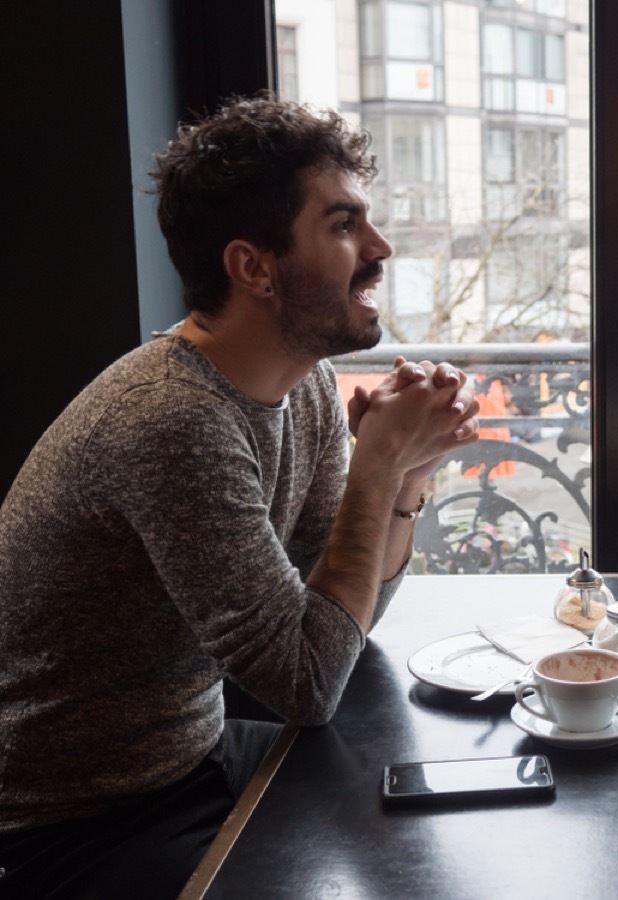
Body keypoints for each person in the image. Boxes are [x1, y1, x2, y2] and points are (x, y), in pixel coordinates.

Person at [0, 95, 480, 897]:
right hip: (70, 818)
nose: (379, 247)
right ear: (253, 267)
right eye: (342, 225)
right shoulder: (173, 422)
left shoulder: (308, 386)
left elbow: (336, 622)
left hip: (195, 756)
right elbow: (302, 682)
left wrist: (404, 482)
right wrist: (374, 468)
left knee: (422, 801)